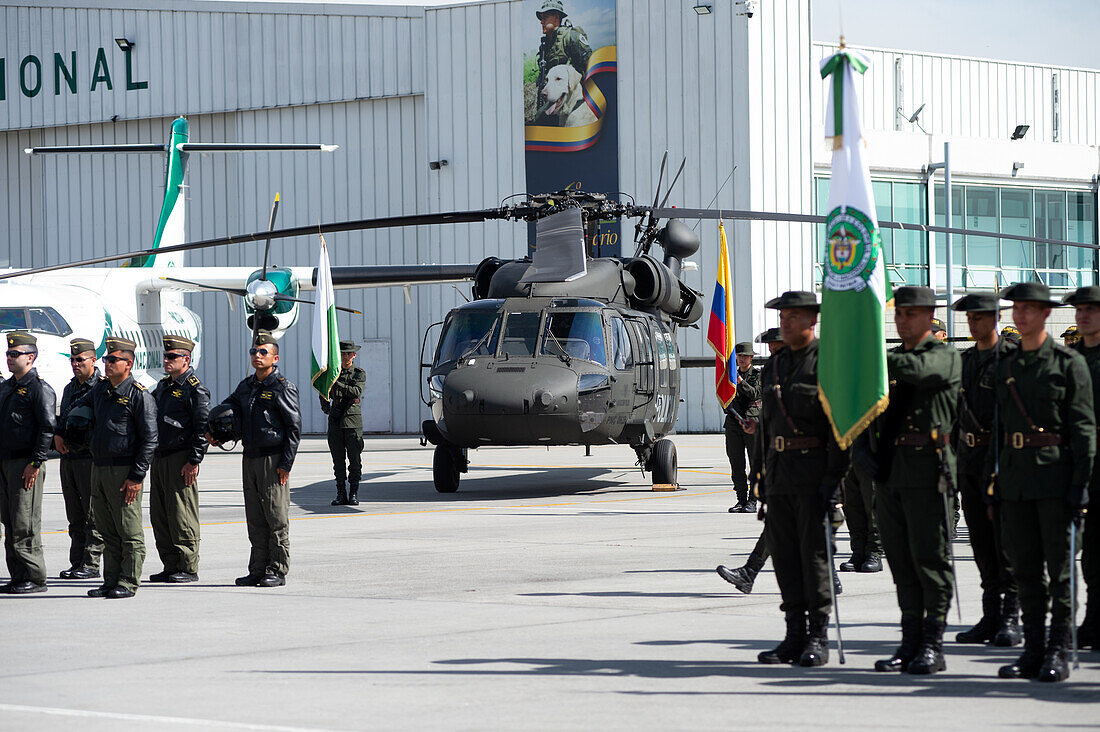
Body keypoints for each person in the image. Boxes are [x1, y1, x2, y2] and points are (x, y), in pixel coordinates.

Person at [991, 282, 1094, 682]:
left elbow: (1083, 431)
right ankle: (1032, 650)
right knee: (1025, 570)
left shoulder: (1069, 363)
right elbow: (1002, 427)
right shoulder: (1008, 365)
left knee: (1060, 571)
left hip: (1055, 477)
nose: (1021, 315)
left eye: (1029, 309)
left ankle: (1058, 649)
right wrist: (995, 479)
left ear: (1047, 313)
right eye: (1016, 309)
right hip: (1016, 479)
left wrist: (1079, 486)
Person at [755, 291, 848, 667]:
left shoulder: (829, 362)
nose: (786, 322)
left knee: (814, 559)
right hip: (779, 477)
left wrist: (833, 480)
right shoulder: (773, 368)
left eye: (794, 316)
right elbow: (766, 427)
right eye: (783, 316)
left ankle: (817, 636)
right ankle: (793, 635)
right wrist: (760, 475)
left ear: (813, 320)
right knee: (786, 560)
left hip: (814, 476)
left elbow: (841, 430)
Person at [873, 286, 960, 676]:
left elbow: (920, 373)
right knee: (901, 562)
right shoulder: (889, 359)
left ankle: (932, 644)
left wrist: (870, 354)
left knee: (931, 560)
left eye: (911, 314)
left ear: (929, 317)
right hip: (892, 471)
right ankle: (909, 642)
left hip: (929, 471)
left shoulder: (945, 357)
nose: (902, 320)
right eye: (899, 314)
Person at [950, 293, 1020, 647]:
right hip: (970, 463)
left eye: (979, 317)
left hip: (1002, 462)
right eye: (970, 318)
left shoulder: (1010, 359)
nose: (973, 323)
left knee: (1004, 544)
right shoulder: (963, 361)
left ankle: (1011, 617)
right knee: (980, 543)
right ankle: (990, 614)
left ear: (994, 318)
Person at [209, 332, 301, 588]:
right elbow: (228, 409)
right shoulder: (246, 386)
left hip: (272, 460)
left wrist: (286, 464)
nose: (257, 356)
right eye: (254, 352)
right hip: (250, 456)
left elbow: (294, 429)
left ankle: (277, 569)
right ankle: (257, 568)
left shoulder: (282, 387)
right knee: (255, 517)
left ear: (275, 357)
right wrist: (216, 431)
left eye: (263, 352)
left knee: (275, 516)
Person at [72, 337, 158, 599]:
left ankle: (128, 581)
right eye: (106, 359)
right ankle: (110, 580)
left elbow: (150, 439)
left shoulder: (139, 395)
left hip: (124, 470)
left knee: (128, 530)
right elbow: (81, 409)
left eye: (113, 360)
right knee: (106, 527)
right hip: (99, 467)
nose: (106, 364)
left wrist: (136, 476)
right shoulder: (101, 391)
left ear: (128, 364)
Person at [149, 335, 210, 583]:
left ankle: (187, 566)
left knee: (182, 514)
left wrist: (194, 460)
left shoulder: (195, 389)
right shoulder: (163, 387)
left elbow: (202, 427)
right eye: (165, 356)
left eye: (172, 357)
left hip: (181, 458)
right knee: (161, 514)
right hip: (161, 457)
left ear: (186, 359)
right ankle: (170, 564)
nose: (166, 360)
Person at [0, 332, 56, 594]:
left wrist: (35, 462)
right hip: (5, 462)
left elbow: (47, 428)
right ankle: (17, 574)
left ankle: (34, 576)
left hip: (25, 462)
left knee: (25, 521)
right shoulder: (7, 387)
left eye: (15, 354)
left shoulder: (39, 389)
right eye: (8, 354)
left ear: (30, 357)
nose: (9, 358)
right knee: (10, 521)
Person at [1064, 286, 1100, 652]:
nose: (1083, 315)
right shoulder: (1070, 358)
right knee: (1089, 551)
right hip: (1078, 463)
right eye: (1079, 309)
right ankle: (1092, 618)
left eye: (1091, 309)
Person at [55, 337, 104, 580]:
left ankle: (91, 563)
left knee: (91, 514)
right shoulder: (69, 388)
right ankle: (77, 562)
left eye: (80, 359)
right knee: (74, 514)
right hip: (70, 458)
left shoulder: (102, 387)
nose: (75, 364)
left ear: (93, 360)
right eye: (72, 360)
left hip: (90, 458)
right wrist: (58, 435)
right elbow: (64, 419)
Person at [321, 341, 367, 506]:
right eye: (342, 354)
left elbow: (356, 391)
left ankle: (353, 493)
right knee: (338, 461)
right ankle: (341, 493)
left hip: (352, 422)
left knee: (354, 460)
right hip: (335, 421)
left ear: (354, 355)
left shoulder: (358, 374)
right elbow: (323, 391)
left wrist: (337, 383)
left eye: (349, 354)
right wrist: (326, 408)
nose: (345, 357)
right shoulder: (332, 373)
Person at [534, 0, 592, 107]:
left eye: (545, 17)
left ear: (556, 17)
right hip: (555, 98)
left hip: (576, 99)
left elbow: (592, 68)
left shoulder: (571, 37)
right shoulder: (545, 45)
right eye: (541, 18)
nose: (541, 22)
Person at [726, 342, 761, 513]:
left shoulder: (757, 375)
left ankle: (753, 501)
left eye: (745, 356)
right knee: (736, 463)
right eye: (739, 356)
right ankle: (741, 499)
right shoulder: (730, 375)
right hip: (733, 423)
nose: (741, 359)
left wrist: (739, 381)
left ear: (751, 358)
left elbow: (755, 393)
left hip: (751, 422)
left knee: (755, 463)